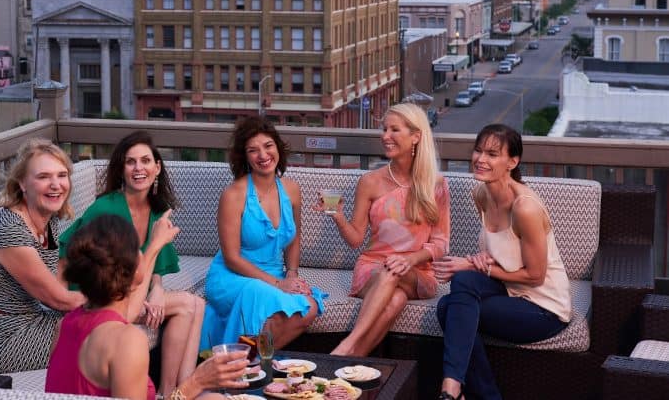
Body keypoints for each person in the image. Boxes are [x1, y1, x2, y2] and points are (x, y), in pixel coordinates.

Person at [59, 131, 204, 396]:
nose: (139, 168)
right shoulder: (105, 209)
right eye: (131, 162)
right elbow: (72, 255)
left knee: (196, 304)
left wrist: (158, 290)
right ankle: (174, 393)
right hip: (99, 296)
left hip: (128, 291)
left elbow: (155, 267)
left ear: (157, 167)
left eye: (146, 161)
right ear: (121, 169)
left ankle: (173, 389)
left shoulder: (157, 208)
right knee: (187, 304)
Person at [432, 124, 571, 400]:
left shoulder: (525, 207)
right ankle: (456, 389)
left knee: (450, 309)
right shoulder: (481, 194)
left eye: (493, 154)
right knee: (461, 286)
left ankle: (455, 389)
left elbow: (535, 276)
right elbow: (504, 251)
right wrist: (482, 259)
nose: (481, 159)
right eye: (479, 150)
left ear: (512, 162)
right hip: (508, 292)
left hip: (543, 308)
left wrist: (474, 264)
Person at [47, 214, 248, 400]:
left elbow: (127, 309)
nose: (143, 255)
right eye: (138, 250)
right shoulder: (128, 341)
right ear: (136, 268)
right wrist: (196, 381)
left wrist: (156, 244)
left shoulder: (64, 325)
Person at [322, 102, 450, 356]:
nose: (385, 136)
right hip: (372, 269)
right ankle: (351, 362)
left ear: (416, 136)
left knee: (394, 271)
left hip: (417, 274)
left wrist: (409, 259)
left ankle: (346, 345)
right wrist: (337, 216)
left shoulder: (436, 184)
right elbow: (356, 240)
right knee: (396, 299)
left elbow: (441, 243)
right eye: (384, 129)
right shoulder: (370, 182)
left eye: (394, 130)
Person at [0, 138, 86, 372]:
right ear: (22, 184)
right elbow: (59, 300)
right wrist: (124, 306)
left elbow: (57, 285)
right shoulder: (11, 230)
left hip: (29, 320)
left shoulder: (48, 219)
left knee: (103, 327)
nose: (56, 184)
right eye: (44, 177)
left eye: (62, 175)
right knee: (105, 336)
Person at [201, 116, 326, 351]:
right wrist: (278, 284)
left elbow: (293, 239)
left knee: (309, 307)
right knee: (256, 293)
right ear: (245, 157)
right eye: (253, 150)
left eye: (268, 146)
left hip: (274, 272)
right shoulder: (233, 194)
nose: (263, 155)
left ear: (277, 148)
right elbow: (232, 258)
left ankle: (250, 361)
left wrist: (291, 274)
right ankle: (246, 368)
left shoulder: (291, 189)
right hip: (233, 275)